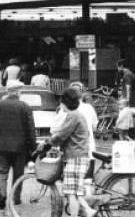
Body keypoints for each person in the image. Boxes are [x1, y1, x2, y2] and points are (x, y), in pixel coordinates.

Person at [38, 88, 95, 217]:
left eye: (61, 101)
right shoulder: (78, 114)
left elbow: (61, 134)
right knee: (75, 192)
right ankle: (88, 210)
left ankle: (87, 211)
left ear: (65, 102)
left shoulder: (73, 115)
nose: (60, 104)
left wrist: (47, 144)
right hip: (80, 155)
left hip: (75, 157)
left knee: (71, 193)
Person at [0, 79, 37, 211]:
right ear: (18, 92)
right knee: (18, 174)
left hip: (0, 147)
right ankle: (16, 199)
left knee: (0, 173)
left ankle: (2, 194)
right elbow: (31, 130)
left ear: (8, 92)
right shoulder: (25, 107)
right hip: (19, 148)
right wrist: (33, 148)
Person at [69, 82, 99, 195]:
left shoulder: (67, 109)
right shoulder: (89, 108)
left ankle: (81, 205)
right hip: (89, 148)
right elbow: (95, 127)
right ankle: (87, 202)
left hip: (73, 150)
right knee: (87, 180)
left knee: (73, 182)